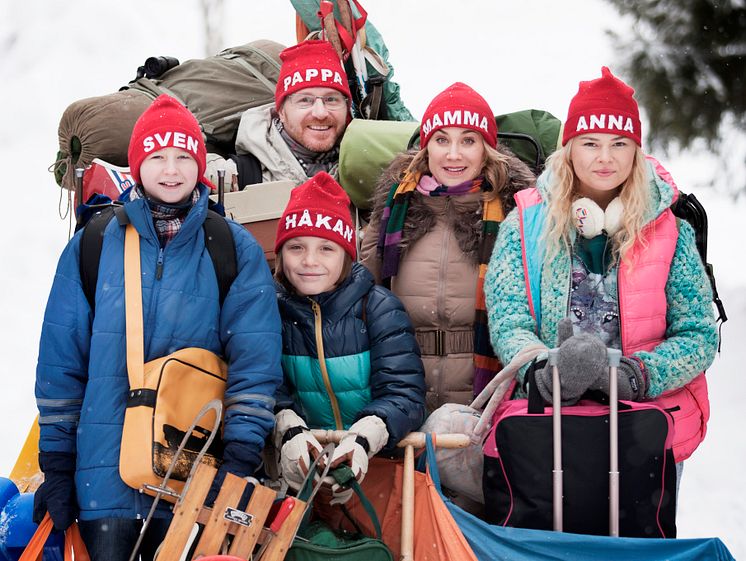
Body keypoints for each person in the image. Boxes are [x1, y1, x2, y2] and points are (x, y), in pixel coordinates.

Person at [33, 94, 283, 560]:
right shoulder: (93, 244)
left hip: (194, 482)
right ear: (137, 164)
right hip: (102, 481)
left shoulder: (231, 247)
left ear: (200, 164)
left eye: (184, 157)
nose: (171, 170)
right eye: (158, 157)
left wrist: (240, 457)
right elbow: (61, 363)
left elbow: (256, 361)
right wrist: (58, 466)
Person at [484, 67, 718, 470]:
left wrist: (639, 374)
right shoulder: (524, 223)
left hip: (642, 430)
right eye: (591, 143)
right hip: (549, 425)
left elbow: (698, 334)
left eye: (619, 143)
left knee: (637, 533)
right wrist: (539, 368)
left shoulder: (670, 231)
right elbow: (509, 318)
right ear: (569, 148)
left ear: (636, 152)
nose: (605, 158)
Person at [360, 82, 535, 411]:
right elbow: (362, 299)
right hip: (402, 393)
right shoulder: (393, 209)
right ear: (427, 147)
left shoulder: (517, 213)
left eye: (468, 140)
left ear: (486, 148)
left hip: (488, 399)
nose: (453, 154)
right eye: (441, 139)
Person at [270, 171, 426, 504]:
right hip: (301, 470)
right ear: (281, 253)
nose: (309, 261)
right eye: (296, 247)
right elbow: (265, 386)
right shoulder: (270, 310)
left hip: (377, 464)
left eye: (326, 248)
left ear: (345, 254)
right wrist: (288, 428)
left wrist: (364, 439)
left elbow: (405, 393)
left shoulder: (378, 308)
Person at [224, 40, 351, 188]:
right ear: (281, 112)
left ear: (346, 107)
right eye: (305, 100)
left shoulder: (367, 173)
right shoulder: (236, 177)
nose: (320, 113)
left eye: (331, 99)